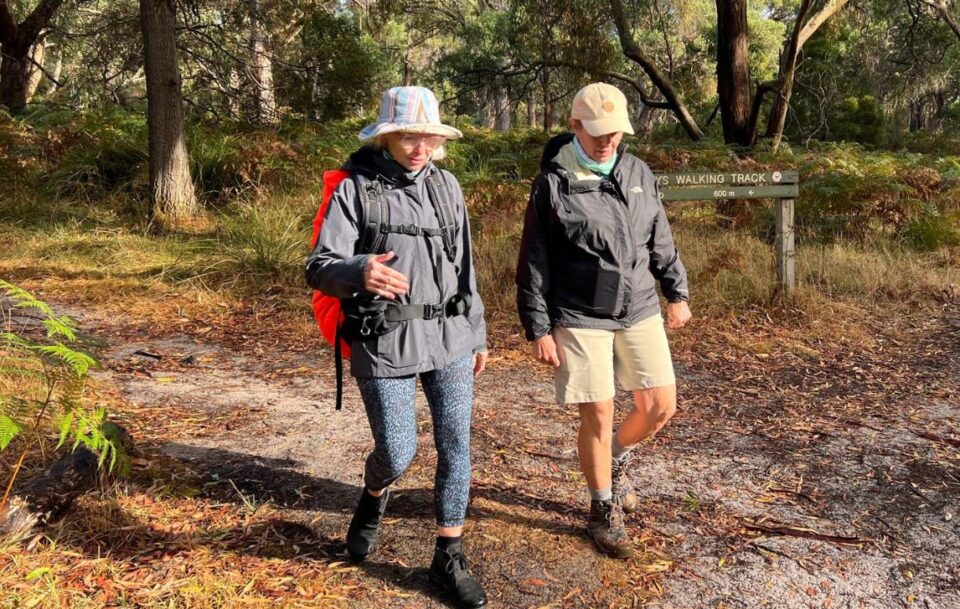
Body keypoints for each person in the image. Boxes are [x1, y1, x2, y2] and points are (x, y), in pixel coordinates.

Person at [306, 86, 488, 608]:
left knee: (456, 445)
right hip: (384, 340)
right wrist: (360, 270)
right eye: (409, 135)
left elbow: (465, 267)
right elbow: (318, 266)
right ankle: (374, 492)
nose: (419, 146)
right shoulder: (355, 190)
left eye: (427, 136)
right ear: (387, 136)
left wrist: (476, 332)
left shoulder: (448, 186)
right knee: (398, 452)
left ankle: (448, 556)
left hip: (449, 337)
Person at [515, 82, 691, 559]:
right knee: (599, 411)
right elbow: (534, 259)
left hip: (638, 306)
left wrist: (676, 290)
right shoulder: (553, 182)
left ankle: (616, 458)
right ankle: (602, 507)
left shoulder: (637, 171)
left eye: (614, 132)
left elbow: (659, 236)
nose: (606, 140)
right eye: (596, 132)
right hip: (578, 313)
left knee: (660, 406)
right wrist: (538, 325)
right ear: (574, 127)